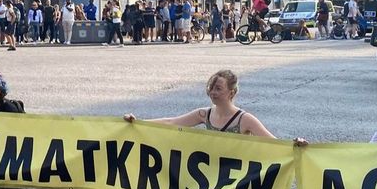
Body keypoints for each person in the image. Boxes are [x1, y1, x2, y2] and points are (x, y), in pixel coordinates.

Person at [123, 70, 293, 141]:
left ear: (231, 93)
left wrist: (297, 146)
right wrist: (138, 123)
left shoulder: (245, 120)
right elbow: (172, 122)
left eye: (218, 88)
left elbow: (274, 144)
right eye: (212, 87)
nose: (213, 92)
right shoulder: (204, 114)